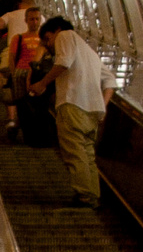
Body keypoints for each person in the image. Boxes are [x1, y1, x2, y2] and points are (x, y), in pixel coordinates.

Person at [28, 16, 115, 206]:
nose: (48, 45)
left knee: (75, 152)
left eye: (48, 39)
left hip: (73, 103)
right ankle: (93, 195)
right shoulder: (90, 52)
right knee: (87, 154)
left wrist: (42, 83)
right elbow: (110, 81)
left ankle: (84, 196)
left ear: (57, 30)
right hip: (94, 110)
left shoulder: (65, 35)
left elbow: (64, 62)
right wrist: (103, 105)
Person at [0, 1, 44, 140]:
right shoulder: (19, 38)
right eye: (32, 19)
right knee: (21, 102)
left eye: (37, 19)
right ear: (26, 21)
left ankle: (30, 129)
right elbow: (12, 57)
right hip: (21, 72)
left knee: (36, 103)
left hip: (37, 74)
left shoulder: (44, 38)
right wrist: (13, 72)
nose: (34, 22)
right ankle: (20, 126)